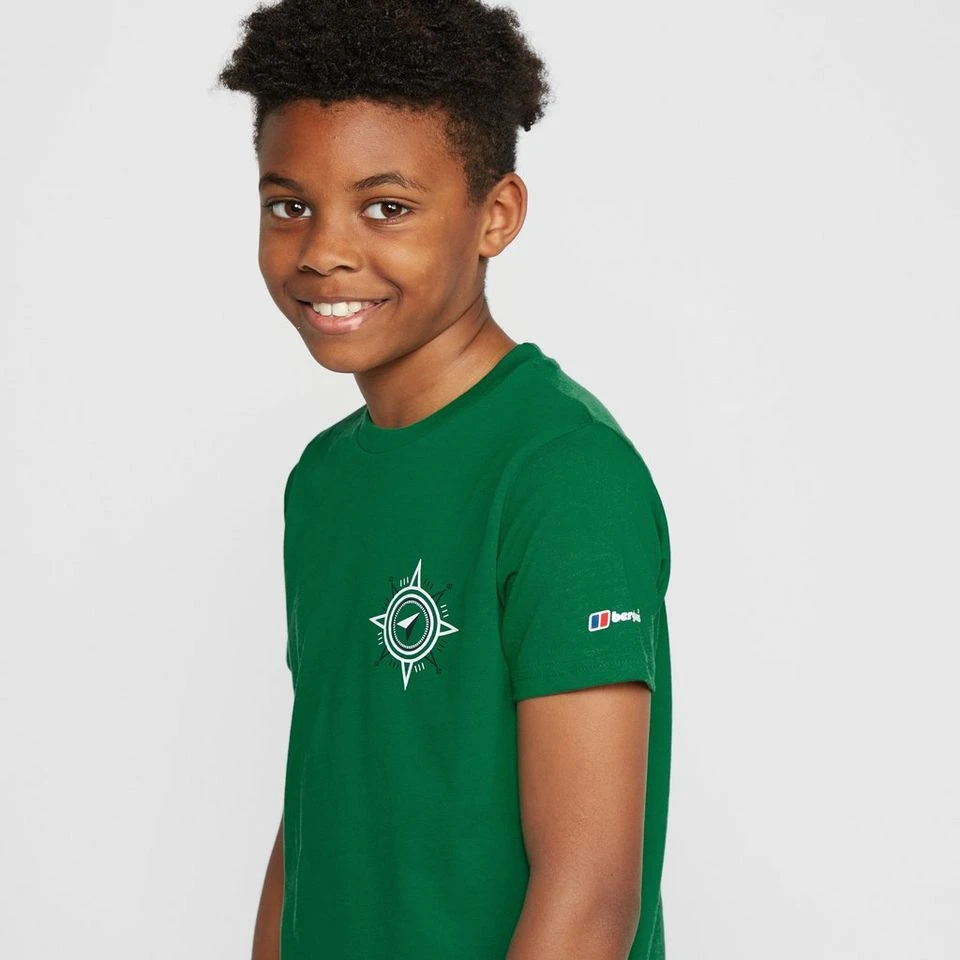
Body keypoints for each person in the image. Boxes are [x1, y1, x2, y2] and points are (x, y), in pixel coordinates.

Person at [217, 2, 672, 958]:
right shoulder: (323, 480)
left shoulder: (562, 475)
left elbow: (590, 896)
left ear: (495, 215)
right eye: (289, 205)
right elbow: (318, 808)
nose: (324, 250)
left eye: (386, 207)